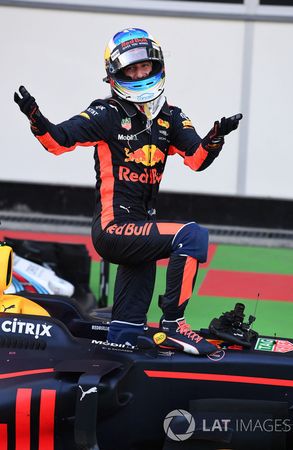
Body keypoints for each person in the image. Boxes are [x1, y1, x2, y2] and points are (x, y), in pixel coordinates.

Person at [14, 27, 242, 355]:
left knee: (128, 331)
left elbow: (196, 159)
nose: (139, 74)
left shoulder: (171, 117)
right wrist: (36, 118)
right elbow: (58, 142)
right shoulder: (105, 113)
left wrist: (216, 137)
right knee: (192, 237)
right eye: (131, 69)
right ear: (115, 75)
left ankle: (122, 346)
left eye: (144, 66)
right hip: (112, 228)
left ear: (156, 66)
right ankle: (174, 325)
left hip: (141, 229)